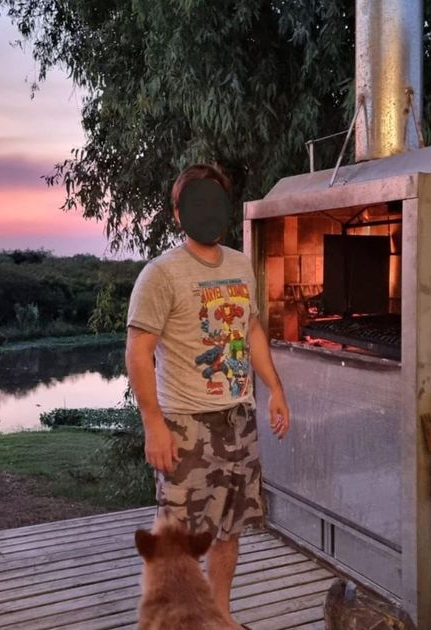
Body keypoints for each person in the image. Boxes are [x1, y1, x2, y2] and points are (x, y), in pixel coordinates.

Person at [125, 163, 290, 624]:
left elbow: (251, 330)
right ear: (178, 213)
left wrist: (275, 389)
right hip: (186, 425)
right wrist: (153, 425)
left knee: (229, 530)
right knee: (176, 541)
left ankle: (220, 616)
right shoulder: (160, 275)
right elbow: (138, 353)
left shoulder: (239, 265)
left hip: (238, 419)